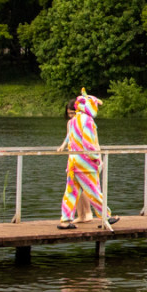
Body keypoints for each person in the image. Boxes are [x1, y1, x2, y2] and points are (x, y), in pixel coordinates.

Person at [57, 89, 115, 230]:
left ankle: (65, 220)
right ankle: (106, 217)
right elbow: (89, 144)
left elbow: (72, 139)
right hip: (85, 163)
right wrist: (96, 159)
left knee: (70, 192)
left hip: (72, 162)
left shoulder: (72, 122)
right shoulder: (87, 120)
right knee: (93, 190)